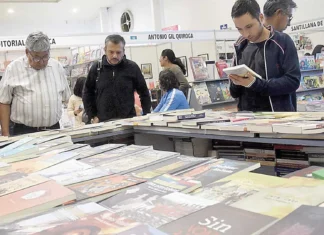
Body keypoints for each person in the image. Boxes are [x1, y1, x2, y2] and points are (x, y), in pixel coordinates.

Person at [229, 0, 300, 112]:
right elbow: (235, 93)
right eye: (240, 29)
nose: (246, 34)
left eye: (249, 26)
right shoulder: (240, 45)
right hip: (247, 120)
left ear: (261, 18)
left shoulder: (282, 41)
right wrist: (236, 82)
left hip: (278, 120)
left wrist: (256, 83)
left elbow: (293, 81)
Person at [0, 31, 71, 136]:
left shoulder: (57, 67)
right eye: (36, 57)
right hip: (23, 131)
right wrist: (5, 134)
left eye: (45, 57)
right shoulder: (13, 69)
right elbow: (4, 102)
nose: (41, 61)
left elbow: (66, 98)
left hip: (53, 130)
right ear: (27, 52)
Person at [83, 35, 151, 123]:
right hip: (103, 122)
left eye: (118, 52)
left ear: (123, 51)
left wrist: (146, 114)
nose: (115, 56)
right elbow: (87, 93)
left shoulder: (132, 68)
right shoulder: (96, 68)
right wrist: (92, 116)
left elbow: (144, 92)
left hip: (128, 121)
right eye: (111, 52)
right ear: (105, 50)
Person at [263, 0, 298, 111]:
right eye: (289, 17)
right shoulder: (284, 41)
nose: (289, 23)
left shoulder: (283, 41)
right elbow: (293, 80)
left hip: (278, 115)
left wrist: (259, 85)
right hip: (279, 114)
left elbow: (292, 80)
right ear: (279, 13)